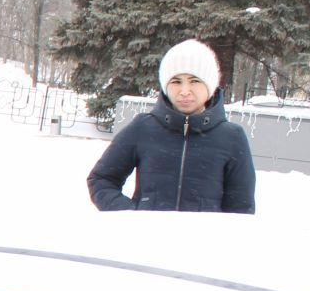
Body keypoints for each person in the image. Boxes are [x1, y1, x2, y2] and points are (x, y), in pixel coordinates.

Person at [87, 39, 256, 213]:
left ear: (210, 86)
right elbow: (101, 180)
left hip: (204, 240)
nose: (184, 91)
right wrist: (131, 216)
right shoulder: (143, 128)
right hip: (147, 239)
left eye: (195, 81)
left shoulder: (231, 137)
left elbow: (242, 208)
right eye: (176, 81)